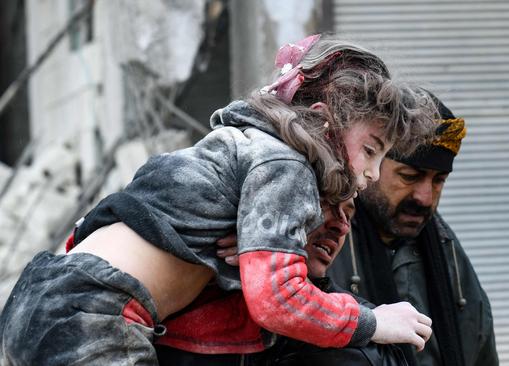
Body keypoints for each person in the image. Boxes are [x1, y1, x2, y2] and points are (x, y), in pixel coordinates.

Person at [0, 35, 435, 365]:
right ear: (323, 123)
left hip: (44, 298)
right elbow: (279, 301)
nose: (373, 174)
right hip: (93, 316)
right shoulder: (285, 164)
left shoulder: (233, 149)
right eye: (372, 150)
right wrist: (374, 322)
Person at [329, 92, 500, 366]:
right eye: (410, 176)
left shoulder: (444, 247)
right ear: (370, 164)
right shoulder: (324, 241)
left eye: (439, 181)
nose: (425, 198)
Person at [157, 199, 410, 366]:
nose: (341, 226)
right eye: (326, 203)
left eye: (348, 213)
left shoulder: (366, 335)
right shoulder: (187, 279)